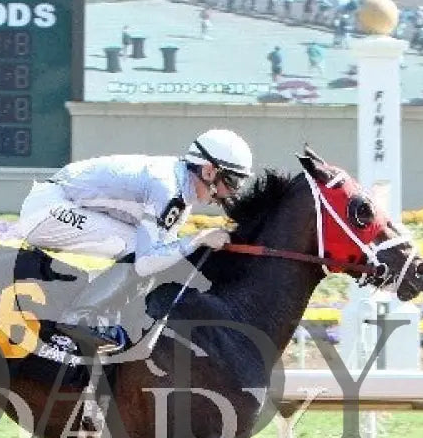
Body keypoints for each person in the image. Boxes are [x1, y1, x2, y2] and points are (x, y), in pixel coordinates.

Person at [14, 129, 253, 347]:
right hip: (48, 209)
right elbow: (146, 261)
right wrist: (199, 238)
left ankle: (103, 317)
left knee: (155, 253)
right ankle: (78, 318)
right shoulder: (168, 188)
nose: (229, 194)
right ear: (208, 171)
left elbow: (161, 259)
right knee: (140, 250)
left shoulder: (180, 191)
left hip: (59, 202)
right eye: (231, 182)